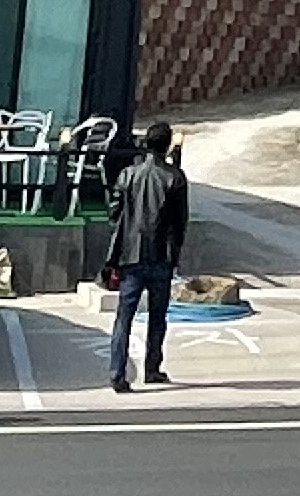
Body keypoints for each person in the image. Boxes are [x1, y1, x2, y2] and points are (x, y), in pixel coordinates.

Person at [106, 118, 190, 393]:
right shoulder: (175, 178)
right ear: (167, 146)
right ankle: (152, 368)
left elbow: (114, 213)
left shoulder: (128, 175)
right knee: (157, 316)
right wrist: (175, 253)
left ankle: (117, 373)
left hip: (130, 254)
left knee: (124, 317)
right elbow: (180, 222)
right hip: (161, 255)